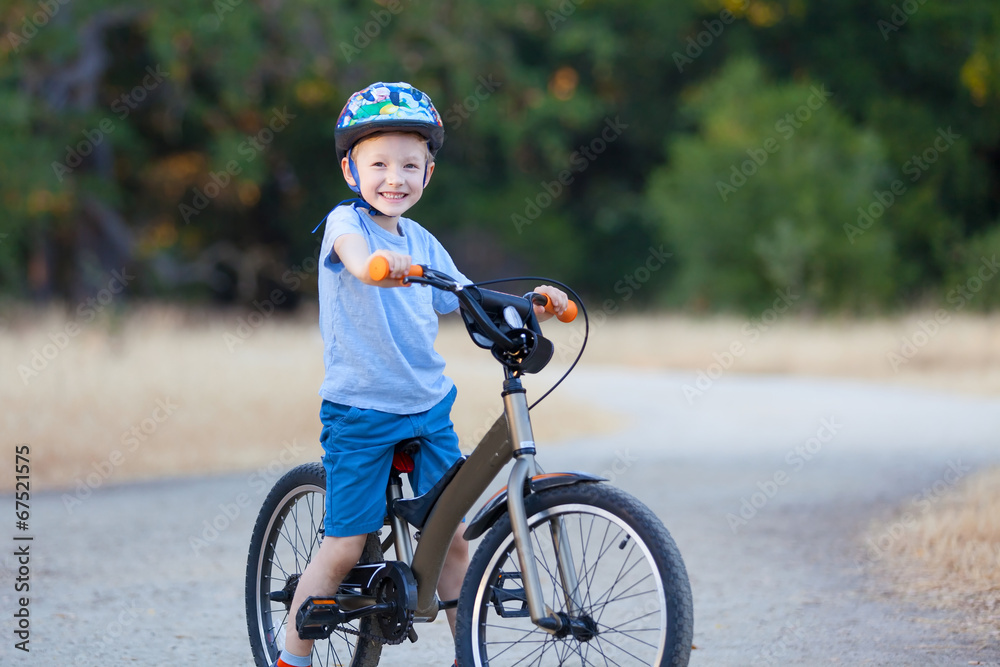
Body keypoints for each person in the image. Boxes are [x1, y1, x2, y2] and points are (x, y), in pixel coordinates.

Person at [275, 81, 570, 667]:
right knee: (345, 544)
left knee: (454, 538)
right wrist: (381, 268)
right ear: (350, 171)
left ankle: (470, 657)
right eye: (378, 163)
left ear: (427, 175)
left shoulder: (423, 241)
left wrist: (531, 304)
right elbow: (358, 263)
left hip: (427, 407)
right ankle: (291, 654)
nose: (395, 177)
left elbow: (467, 298)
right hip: (361, 412)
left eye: (410, 165)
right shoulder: (346, 226)